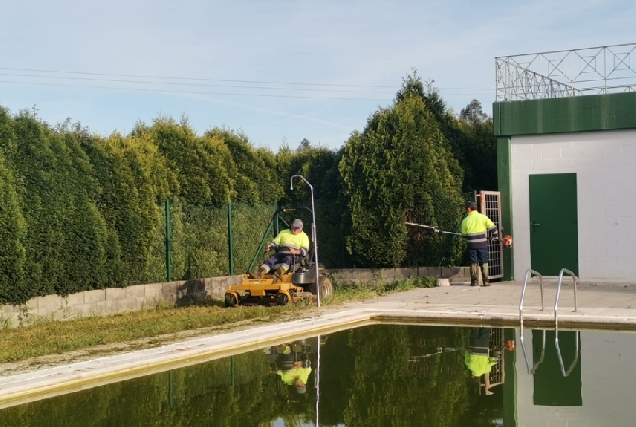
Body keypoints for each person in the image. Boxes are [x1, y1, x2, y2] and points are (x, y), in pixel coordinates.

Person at [461, 201, 498, 286]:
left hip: (471, 245)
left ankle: (474, 281)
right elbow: (493, 228)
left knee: (473, 262)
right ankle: (486, 281)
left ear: (469, 209)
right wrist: (495, 236)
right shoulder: (483, 217)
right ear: (476, 208)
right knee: (484, 261)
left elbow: (464, 235)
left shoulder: (465, 220)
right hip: (482, 244)